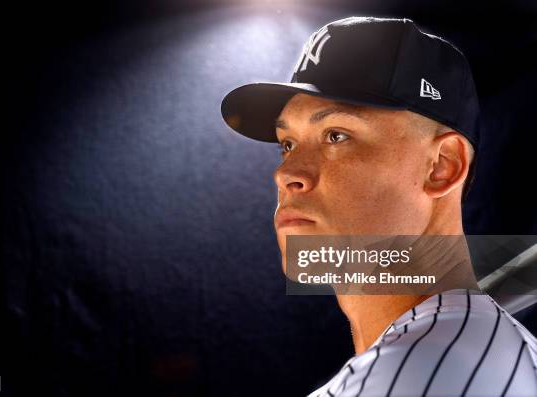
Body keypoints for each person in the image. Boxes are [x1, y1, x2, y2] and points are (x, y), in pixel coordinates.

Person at [220, 16, 537, 396]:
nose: (287, 173)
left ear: (442, 166)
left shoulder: (423, 368)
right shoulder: (469, 351)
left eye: (336, 135)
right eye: (287, 144)